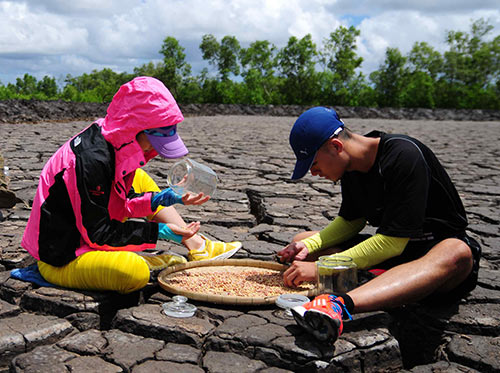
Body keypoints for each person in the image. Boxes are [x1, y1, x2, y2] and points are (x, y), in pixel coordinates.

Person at [277, 106, 481, 343]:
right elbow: (350, 223)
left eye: (313, 164)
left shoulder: (403, 155)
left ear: (336, 147)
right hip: (394, 256)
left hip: (432, 257)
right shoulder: (352, 166)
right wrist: (309, 247)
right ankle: (370, 281)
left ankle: (340, 304)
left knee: (457, 251)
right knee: (301, 242)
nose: (313, 173)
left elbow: (391, 243)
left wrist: (324, 268)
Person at [21, 76, 241, 294]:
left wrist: (162, 199)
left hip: (90, 235)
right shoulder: (91, 161)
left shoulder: (114, 140)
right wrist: (160, 232)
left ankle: (198, 247)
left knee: (141, 179)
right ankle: (145, 262)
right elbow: (99, 235)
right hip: (63, 256)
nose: (155, 152)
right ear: (134, 129)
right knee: (133, 273)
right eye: (154, 143)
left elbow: (120, 204)